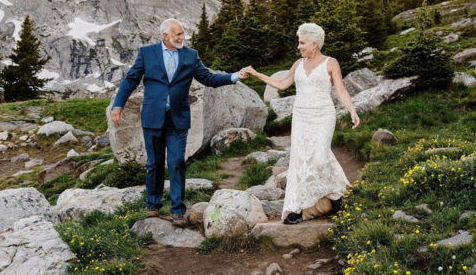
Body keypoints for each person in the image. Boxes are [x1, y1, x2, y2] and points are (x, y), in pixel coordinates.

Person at [110, 18, 248, 228]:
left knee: (176, 164)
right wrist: (118, 105)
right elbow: (131, 79)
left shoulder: (190, 55)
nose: (182, 38)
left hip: (178, 118)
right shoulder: (147, 53)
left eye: (183, 33)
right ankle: (152, 205)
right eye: (178, 35)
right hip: (153, 116)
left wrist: (235, 76)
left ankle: (178, 211)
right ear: (165, 36)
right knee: (153, 164)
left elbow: (208, 78)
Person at [244, 23, 360, 224]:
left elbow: (341, 90)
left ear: (314, 44)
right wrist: (256, 74)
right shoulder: (298, 64)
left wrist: (352, 109)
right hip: (301, 117)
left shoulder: (331, 63)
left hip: (323, 115)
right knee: (300, 161)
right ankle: (298, 208)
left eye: (302, 43)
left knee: (319, 158)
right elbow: (281, 84)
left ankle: (335, 196)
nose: (299, 46)